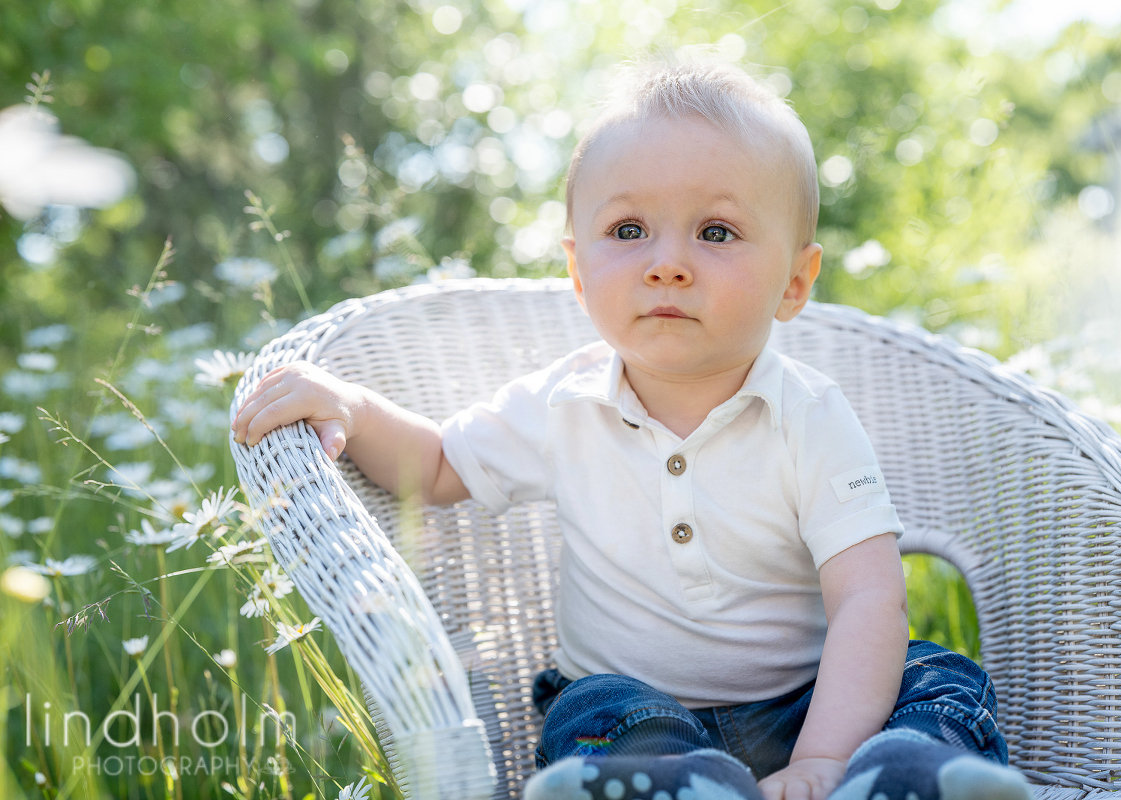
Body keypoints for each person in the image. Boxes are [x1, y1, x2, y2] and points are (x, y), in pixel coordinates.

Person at [231, 51, 1033, 800]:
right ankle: (687, 785)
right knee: (588, 709)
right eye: (627, 232)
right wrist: (356, 409)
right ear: (579, 272)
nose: (667, 263)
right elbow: (439, 466)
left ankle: (900, 774)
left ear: (794, 282)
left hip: (810, 705)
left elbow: (867, 600)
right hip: (637, 710)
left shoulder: (810, 417)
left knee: (937, 675)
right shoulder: (562, 403)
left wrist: (823, 755)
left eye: (715, 233)